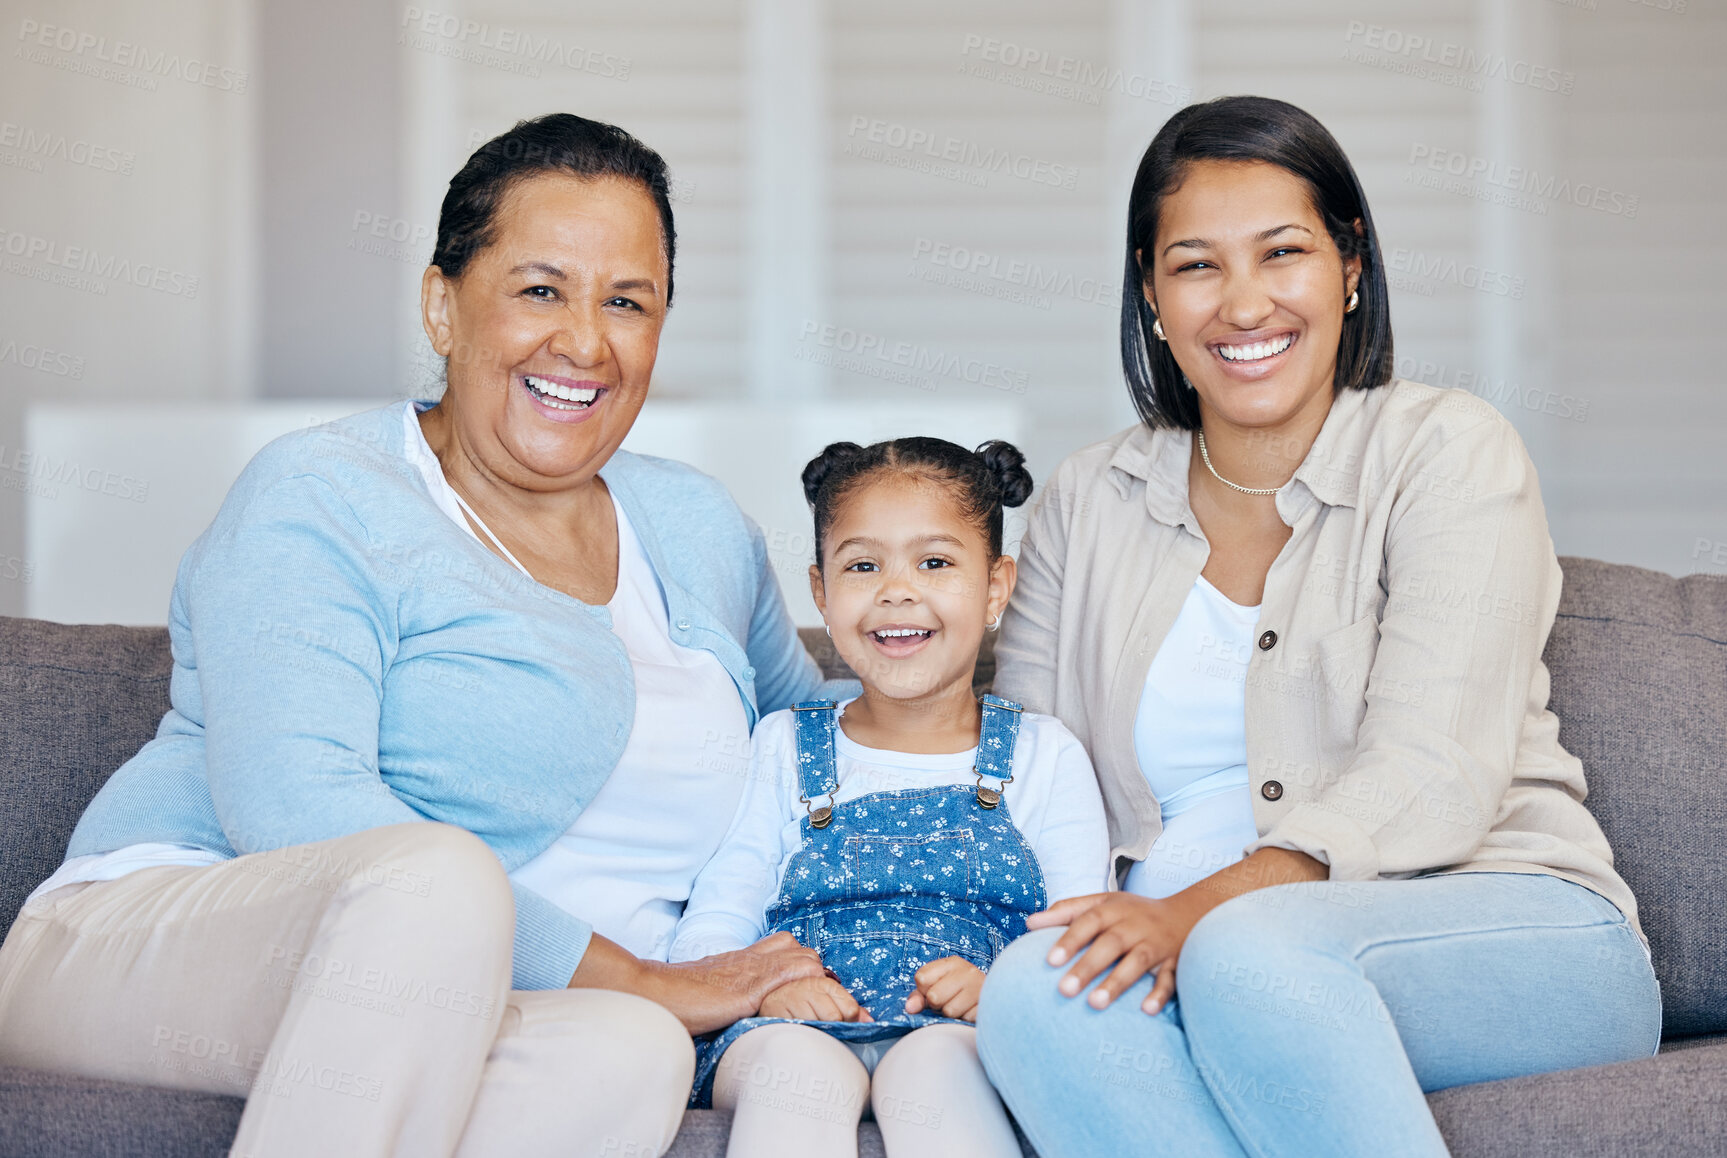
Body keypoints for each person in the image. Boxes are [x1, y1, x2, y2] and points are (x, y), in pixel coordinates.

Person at [0, 113, 850, 1158]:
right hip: (151, 941)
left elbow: (835, 746)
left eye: (626, 302)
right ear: (441, 305)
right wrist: (647, 978)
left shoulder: (699, 525)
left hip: (475, 1003)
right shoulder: (323, 493)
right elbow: (293, 803)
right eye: (540, 289)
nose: (584, 342)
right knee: (440, 885)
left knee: (630, 1050)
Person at [972, 95, 1661, 1157]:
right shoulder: (1085, 497)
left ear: (1348, 266)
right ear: (1151, 296)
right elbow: (1027, 766)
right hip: (1203, 951)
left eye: (1280, 253)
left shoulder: (1446, 451)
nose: (1242, 304)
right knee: (1032, 992)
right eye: (1195, 265)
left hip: (1497, 928)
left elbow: (1432, 770)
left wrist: (1194, 912)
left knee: (1247, 956)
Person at [668, 438, 1110, 1157]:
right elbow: (722, 904)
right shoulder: (784, 743)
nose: (895, 590)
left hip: (962, 1032)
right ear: (820, 591)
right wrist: (757, 990)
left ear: (996, 586)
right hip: (786, 1026)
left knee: (936, 1069)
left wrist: (1002, 992)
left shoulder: (1044, 753)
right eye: (862, 565)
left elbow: (1076, 931)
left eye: (934, 563)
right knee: (793, 1072)